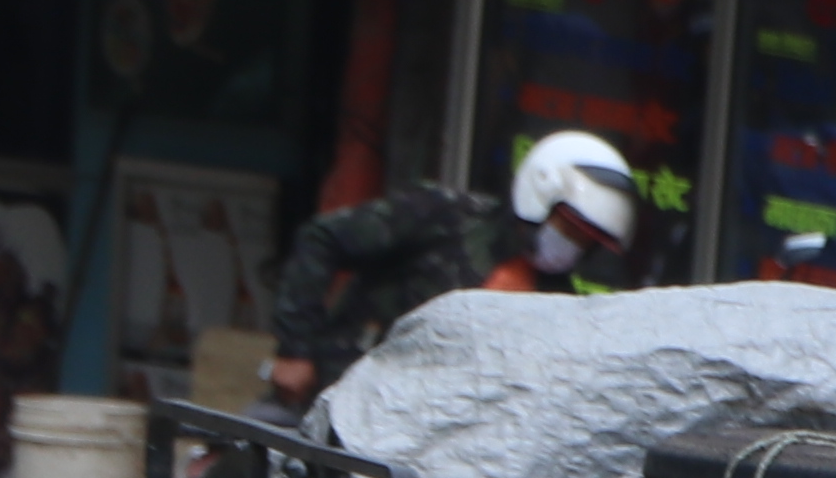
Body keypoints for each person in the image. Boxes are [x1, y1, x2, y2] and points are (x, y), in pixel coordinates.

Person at [265, 130, 655, 399]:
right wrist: (295, 350)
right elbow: (324, 238)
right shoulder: (444, 218)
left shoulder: (558, 306)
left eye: (587, 241)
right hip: (333, 397)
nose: (571, 246)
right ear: (539, 199)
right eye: (568, 229)